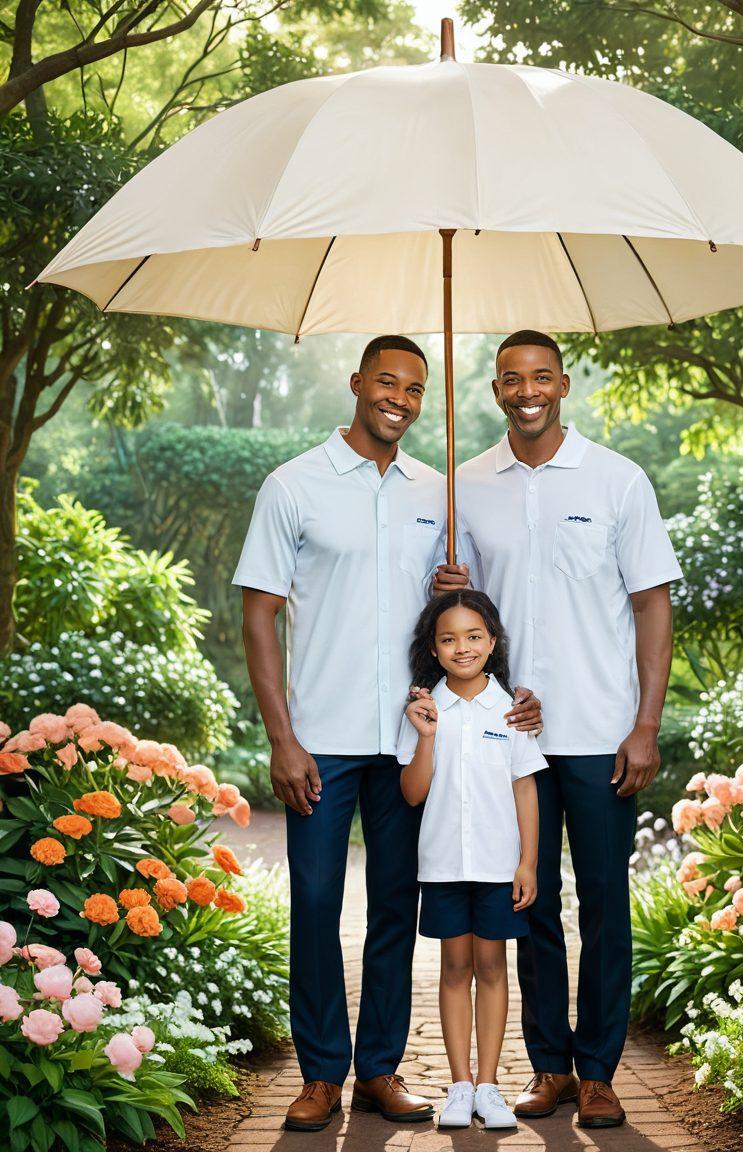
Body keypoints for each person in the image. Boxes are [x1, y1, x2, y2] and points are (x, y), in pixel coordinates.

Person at [233, 335, 542, 1133]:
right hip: (322, 738)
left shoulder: (434, 496)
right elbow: (259, 615)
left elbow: (462, 617)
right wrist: (281, 737)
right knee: (313, 901)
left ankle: (377, 1068)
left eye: (413, 387)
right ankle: (319, 1073)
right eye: (386, 382)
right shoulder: (292, 486)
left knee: (394, 910)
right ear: (357, 382)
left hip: (411, 737)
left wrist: (454, 586)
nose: (399, 398)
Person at [435, 330, 683, 1129]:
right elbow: (462, 613)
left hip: (604, 728)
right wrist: (451, 589)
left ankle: (600, 1070)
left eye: (542, 376)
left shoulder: (618, 479)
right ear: (496, 388)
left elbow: (651, 603)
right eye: (512, 378)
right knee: (531, 903)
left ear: (565, 384)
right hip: (514, 735)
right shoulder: (466, 484)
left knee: (607, 902)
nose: (528, 389)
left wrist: (645, 724)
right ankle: (549, 1068)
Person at [397, 590, 546, 1131]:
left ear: (493, 641)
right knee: (455, 970)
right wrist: (426, 738)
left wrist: (527, 862)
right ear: (434, 650)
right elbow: (412, 793)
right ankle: (459, 1086)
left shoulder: (510, 710)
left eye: (474, 636)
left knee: (493, 969)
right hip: (442, 866)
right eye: (449, 638)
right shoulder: (424, 711)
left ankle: (489, 1087)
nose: (462, 647)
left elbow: (525, 789)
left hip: (496, 866)